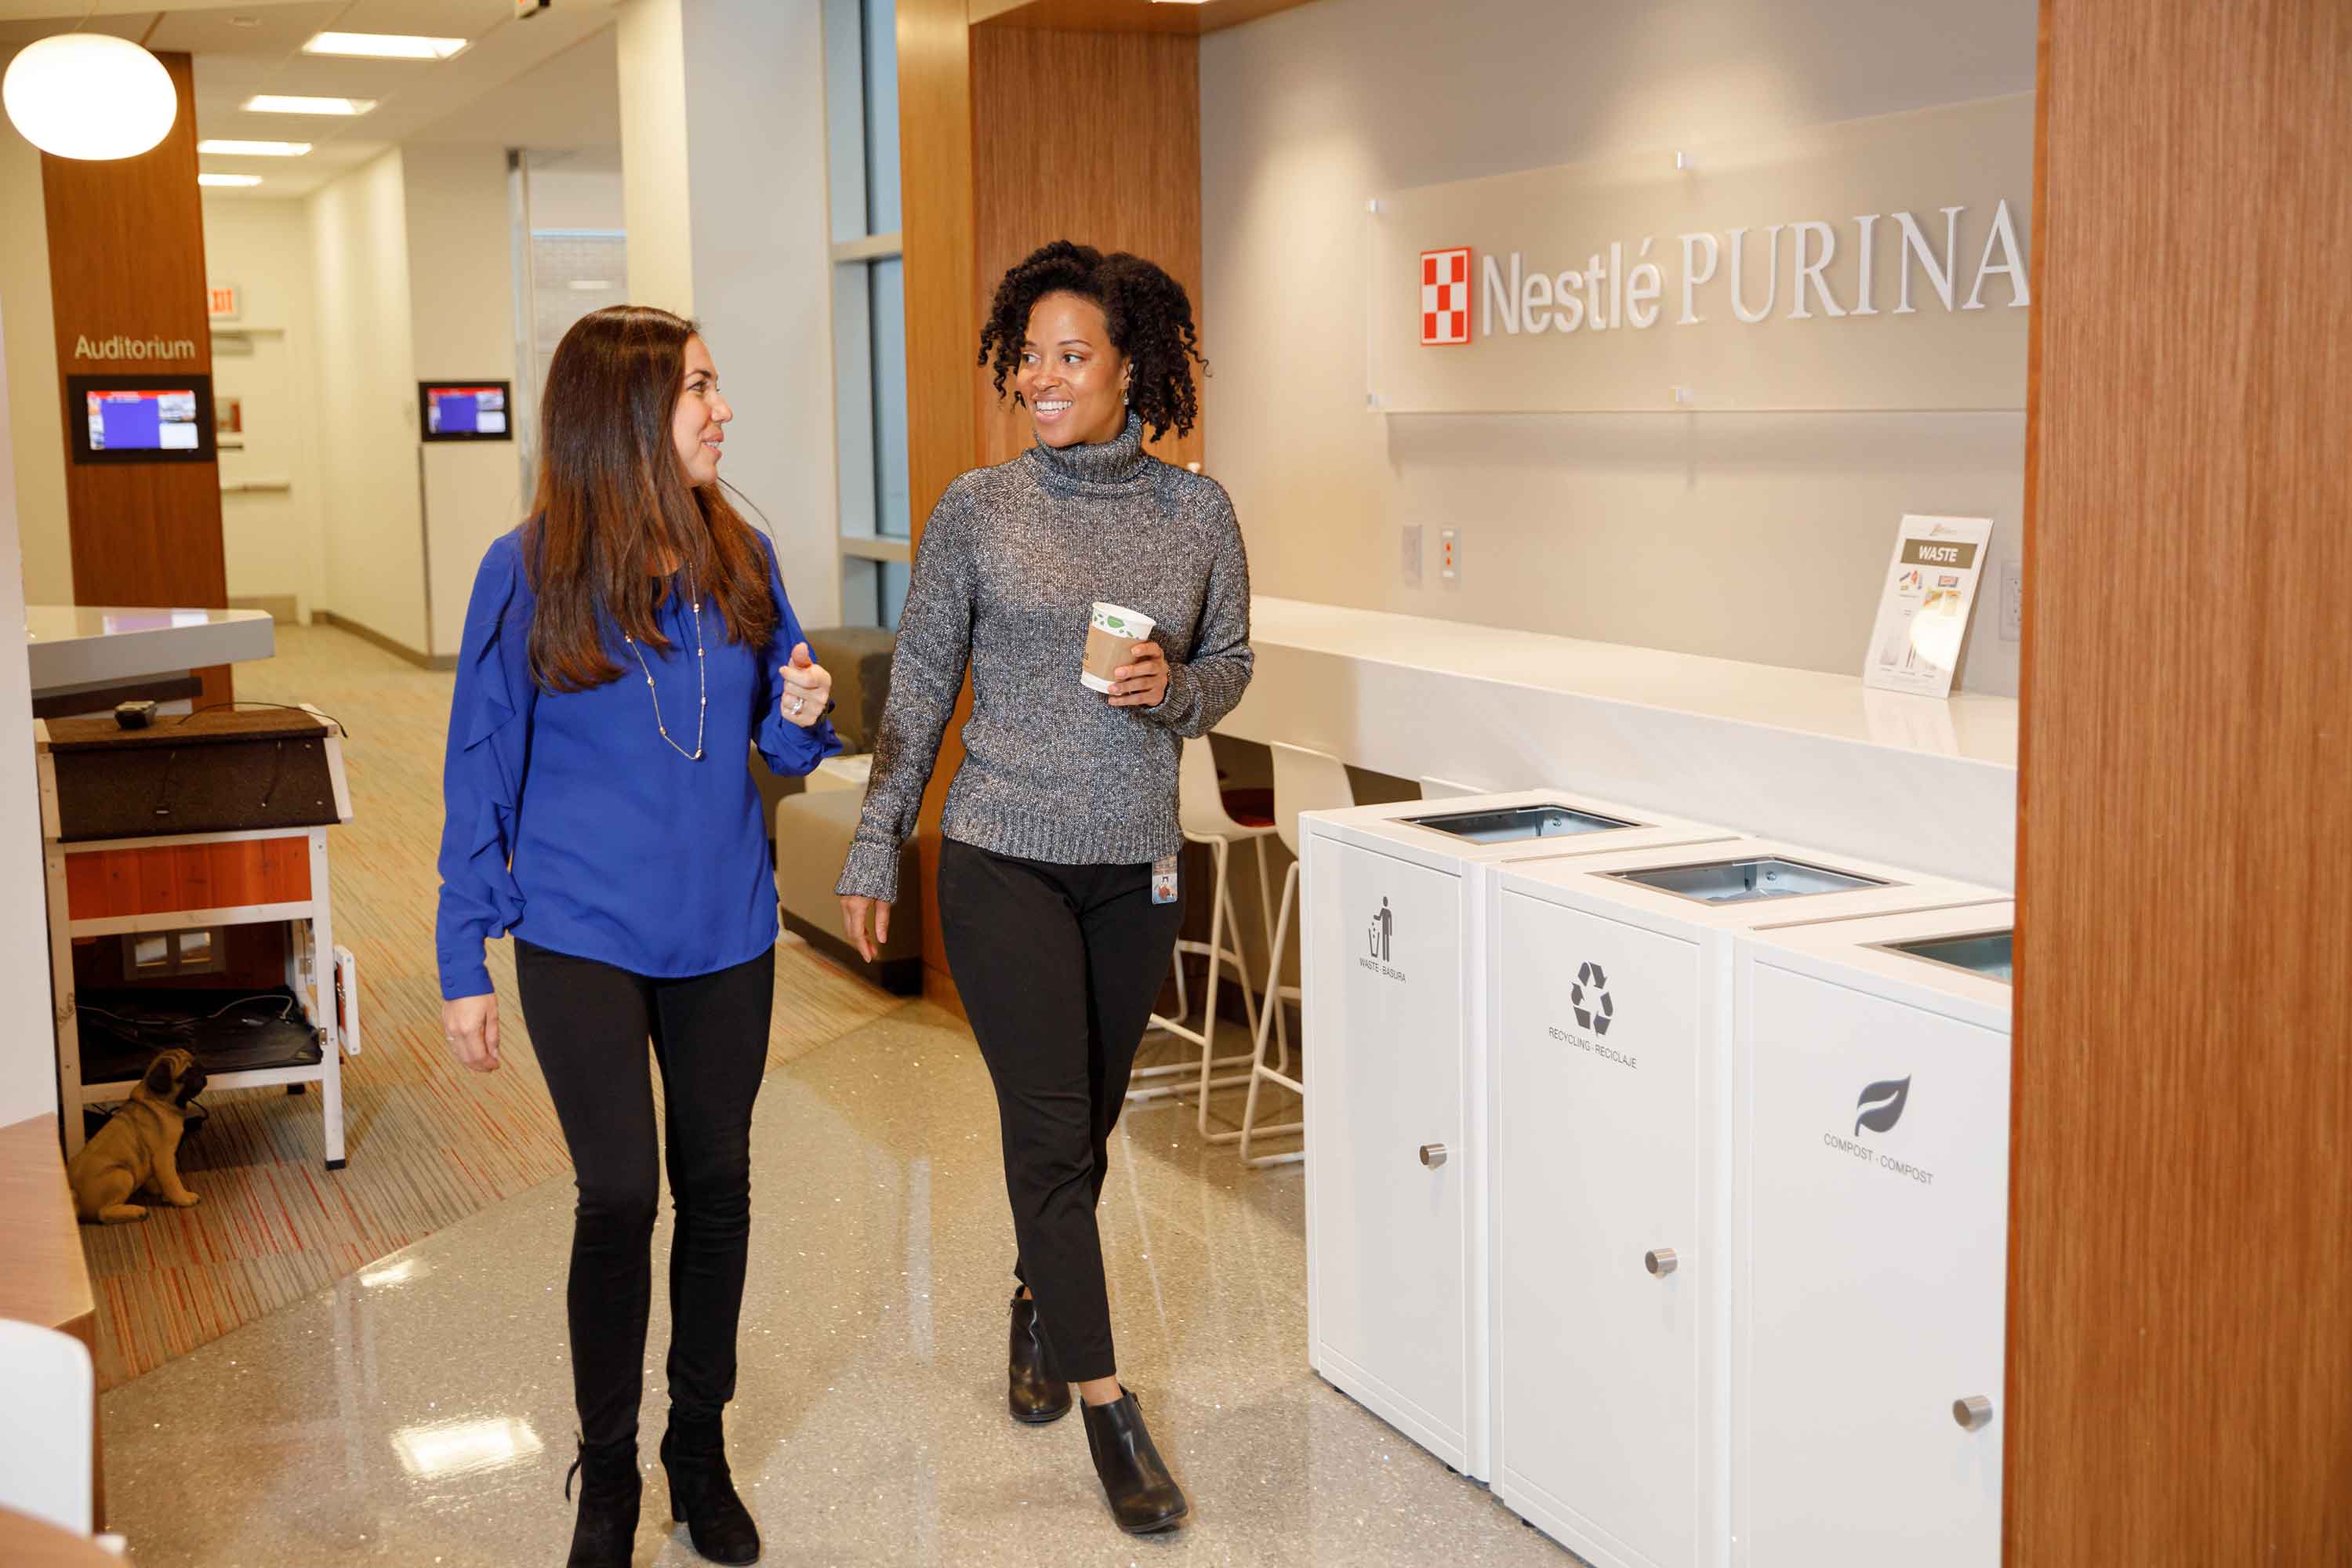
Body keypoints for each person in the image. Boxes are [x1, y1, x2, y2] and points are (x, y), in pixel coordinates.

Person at [836, 241, 1253, 1535]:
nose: (1044, 378)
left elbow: (1232, 659)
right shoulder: (977, 507)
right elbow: (917, 693)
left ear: (1133, 367)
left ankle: (1035, 1293)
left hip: (1136, 867)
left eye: (1073, 357)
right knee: (1046, 1126)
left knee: (1086, 1131)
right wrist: (875, 844)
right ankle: (1109, 1406)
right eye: (1031, 357)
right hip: (1001, 855)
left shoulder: (1198, 514)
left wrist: (1173, 690)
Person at [435, 305, 840, 1568]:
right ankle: (606, 1474)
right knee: (620, 1192)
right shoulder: (527, 569)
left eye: (716, 386)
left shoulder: (746, 557)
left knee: (717, 1188)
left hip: (726, 926)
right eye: (699, 390)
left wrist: (806, 714)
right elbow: (479, 763)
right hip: (580, 931)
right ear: (625, 416)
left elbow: (776, 753)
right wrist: (463, 955)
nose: (723, 410)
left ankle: (696, 1451)